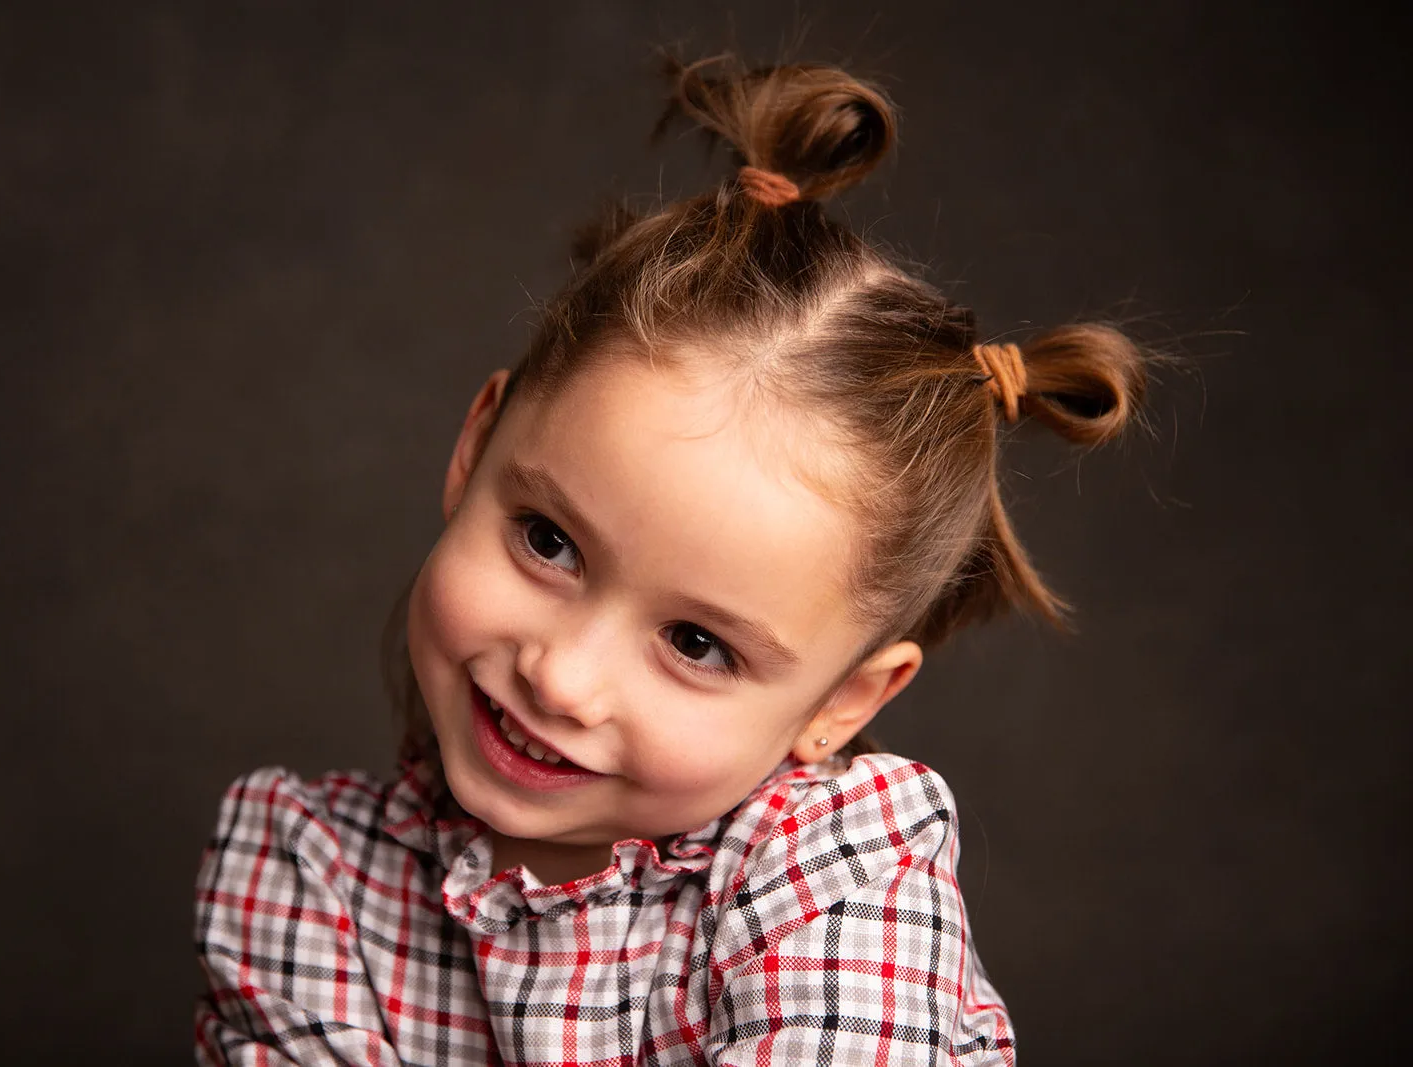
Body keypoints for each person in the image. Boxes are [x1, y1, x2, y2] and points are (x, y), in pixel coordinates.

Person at [192, 55, 1146, 1066]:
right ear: (475, 449)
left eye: (696, 642)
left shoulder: (838, 876)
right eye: (547, 541)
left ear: (846, 703)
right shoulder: (303, 874)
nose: (560, 677)